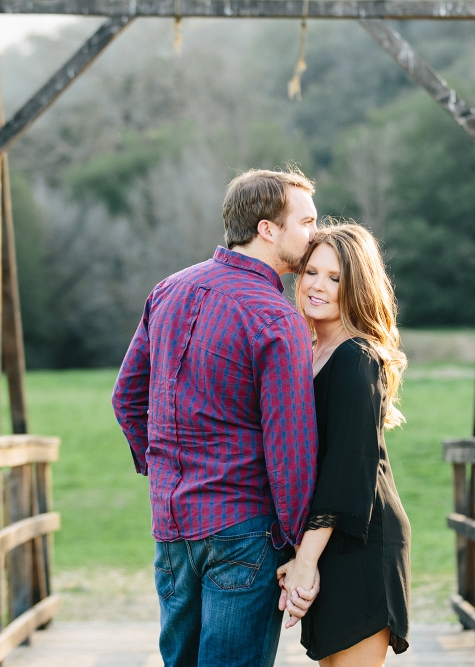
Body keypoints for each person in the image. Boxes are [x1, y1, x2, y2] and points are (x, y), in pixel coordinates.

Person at [112, 167, 321, 667]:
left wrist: (163, 471)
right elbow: (289, 451)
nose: (316, 234)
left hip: (171, 527)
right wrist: (298, 549)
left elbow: (126, 397)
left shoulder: (167, 290)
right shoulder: (275, 317)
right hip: (243, 532)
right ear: (268, 229)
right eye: (307, 222)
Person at [277, 223, 412, 666]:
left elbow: (347, 468)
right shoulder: (311, 351)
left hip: (362, 541)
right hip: (327, 542)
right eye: (311, 272)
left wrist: (304, 561)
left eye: (335, 278)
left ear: (356, 288)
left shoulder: (358, 358)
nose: (317, 286)